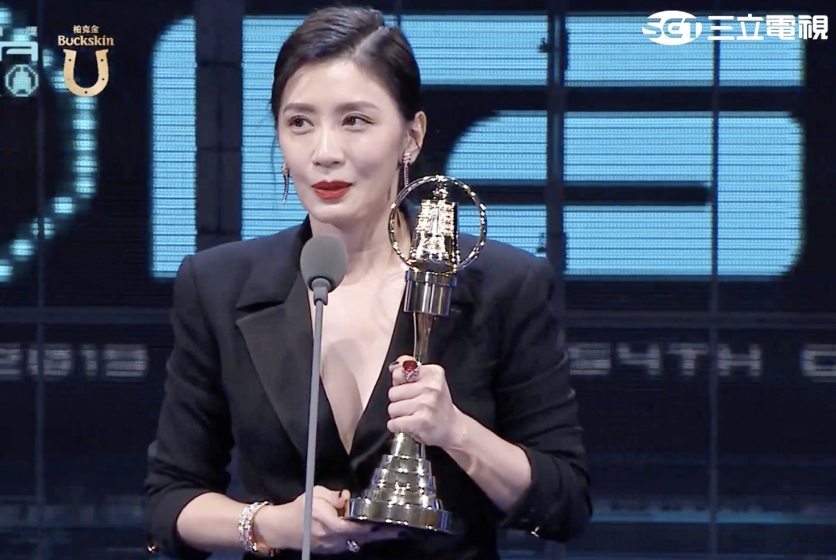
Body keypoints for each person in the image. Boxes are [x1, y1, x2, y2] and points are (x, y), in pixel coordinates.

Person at [144, 5, 591, 559]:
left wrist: (457, 432)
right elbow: (170, 500)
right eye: (299, 122)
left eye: (355, 120)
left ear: (411, 136)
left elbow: (565, 503)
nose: (325, 152)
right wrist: (268, 524)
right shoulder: (217, 285)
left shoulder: (502, 285)